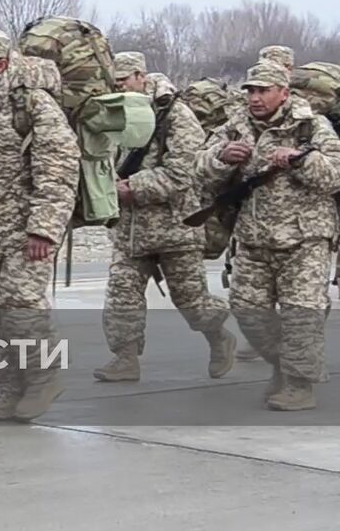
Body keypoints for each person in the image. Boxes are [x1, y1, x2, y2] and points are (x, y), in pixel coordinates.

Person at [196, 61, 340, 410]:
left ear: (284, 93)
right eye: (250, 90)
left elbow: (338, 174)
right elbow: (199, 166)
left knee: (300, 313)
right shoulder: (235, 127)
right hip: (253, 238)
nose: (255, 97)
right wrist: (222, 157)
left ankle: (300, 385)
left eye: (263, 90)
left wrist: (300, 159)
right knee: (248, 311)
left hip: (305, 238)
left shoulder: (311, 127)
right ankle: (284, 366)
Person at [0, 29, 79, 422]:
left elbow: (58, 165)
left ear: (1, 64)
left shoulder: (31, 104)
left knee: (21, 308)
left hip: (25, 233)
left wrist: (44, 227)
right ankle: (11, 388)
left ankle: (45, 378)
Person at [94, 52, 235, 382]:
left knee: (191, 302)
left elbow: (184, 171)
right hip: (129, 230)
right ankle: (124, 358)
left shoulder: (175, 115)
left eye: (124, 81)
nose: (119, 89)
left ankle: (219, 337)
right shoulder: (113, 114)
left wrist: (132, 187)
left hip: (175, 228)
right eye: (113, 84)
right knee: (120, 297)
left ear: (141, 77)